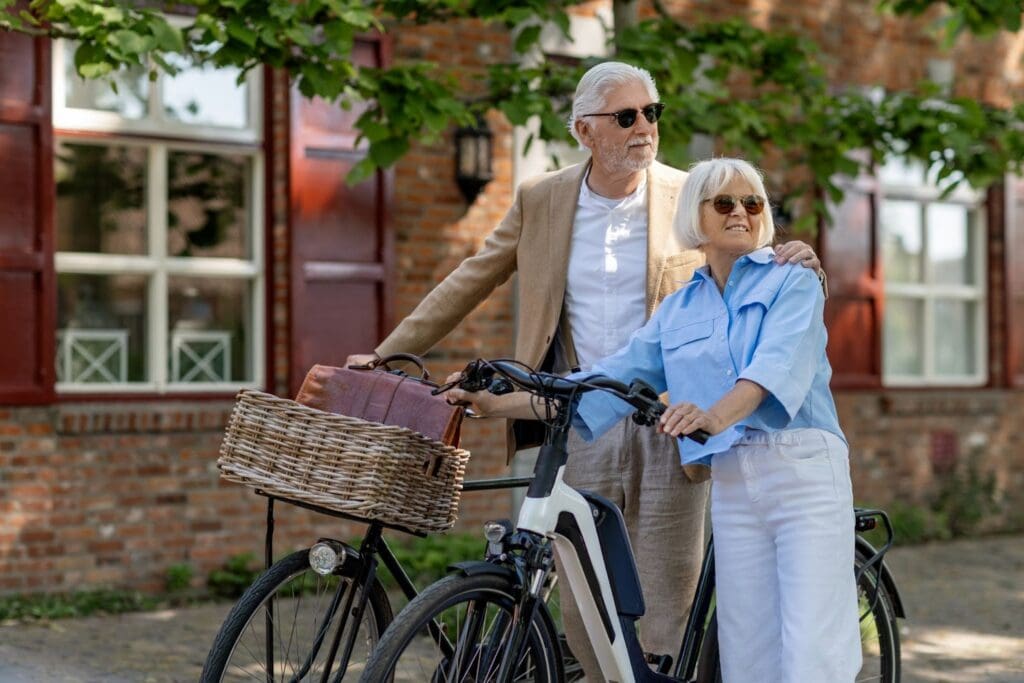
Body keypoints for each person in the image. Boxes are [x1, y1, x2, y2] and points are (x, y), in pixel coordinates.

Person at [347, 63, 823, 679]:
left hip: (670, 421)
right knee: (586, 612)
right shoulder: (541, 199)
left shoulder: (694, 198)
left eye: (652, 112)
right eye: (626, 116)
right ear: (584, 130)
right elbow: (472, 277)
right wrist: (388, 350)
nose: (644, 127)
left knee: (663, 606)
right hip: (581, 416)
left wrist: (802, 258)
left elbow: (759, 270)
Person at [452, 157, 860, 682]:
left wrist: (713, 416)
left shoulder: (792, 280)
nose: (741, 212)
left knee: (811, 648)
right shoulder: (679, 309)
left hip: (800, 465)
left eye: (752, 203)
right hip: (733, 475)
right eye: (725, 203)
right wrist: (498, 405)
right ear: (697, 217)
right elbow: (607, 381)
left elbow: (773, 370)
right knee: (747, 651)